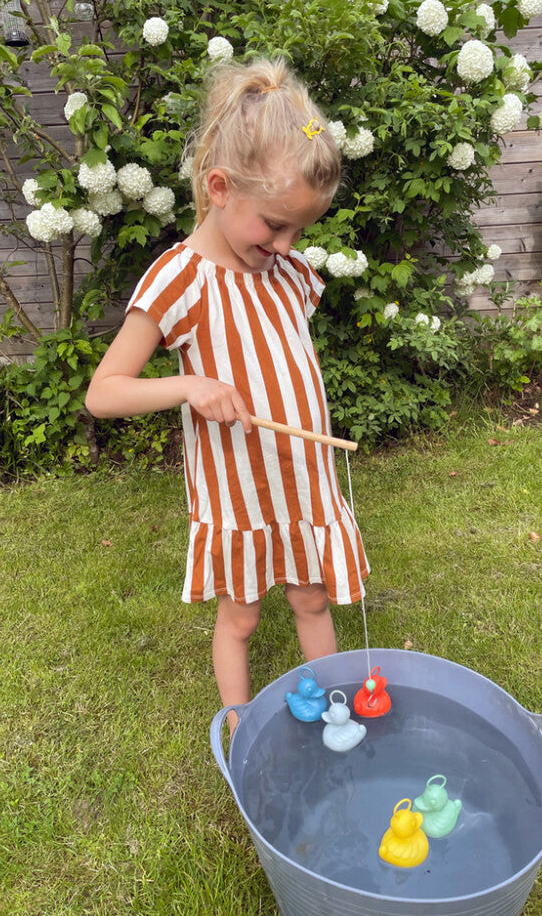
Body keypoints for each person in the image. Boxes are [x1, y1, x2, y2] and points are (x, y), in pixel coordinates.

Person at [85, 57, 369, 731]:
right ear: (218, 188)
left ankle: (337, 716)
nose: (287, 245)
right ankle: (241, 732)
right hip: (237, 487)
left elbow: (279, 358)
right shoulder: (179, 279)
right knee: (240, 616)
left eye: (300, 231)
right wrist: (188, 384)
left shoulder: (285, 271)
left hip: (301, 477)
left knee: (312, 598)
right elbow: (103, 393)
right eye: (274, 225)